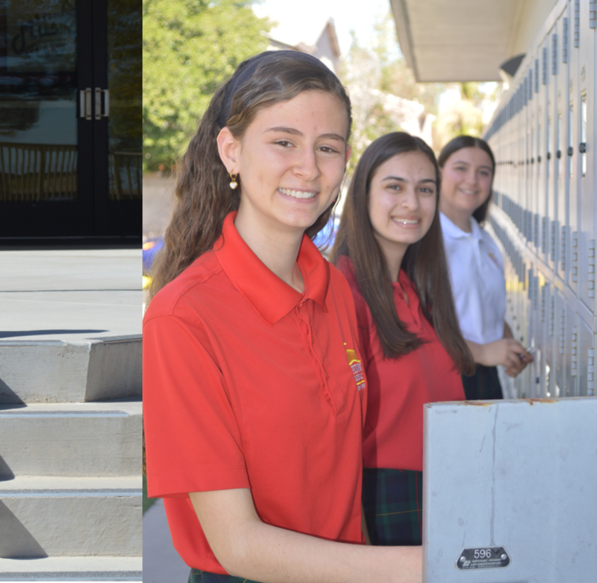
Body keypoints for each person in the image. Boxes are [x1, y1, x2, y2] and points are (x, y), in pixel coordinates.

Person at [143, 50, 422, 582]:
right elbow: (239, 546)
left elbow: (344, 484)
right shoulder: (182, 319)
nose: (309, 168)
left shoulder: (335, 289)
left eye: (328, 148)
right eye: (284, 142)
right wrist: (426, 566)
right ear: (231, 151)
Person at [328, 131, 473, 548]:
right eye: (395, 187)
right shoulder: (344, 294)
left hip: (444, 488)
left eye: (425, 189)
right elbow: (334, 438)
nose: (412, 203)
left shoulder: (413, 288)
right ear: (362, 195)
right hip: (385, 501)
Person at [433, 136, 531, 399]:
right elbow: (419, 324)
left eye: (483, 172)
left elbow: (483, 305)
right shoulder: (426, 242)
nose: (472, 180)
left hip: (485, 375)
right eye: (461, 168)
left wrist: (508, 345)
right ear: (439, 172)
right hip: (445, 375)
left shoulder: (485, 239)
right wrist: (484, 352)